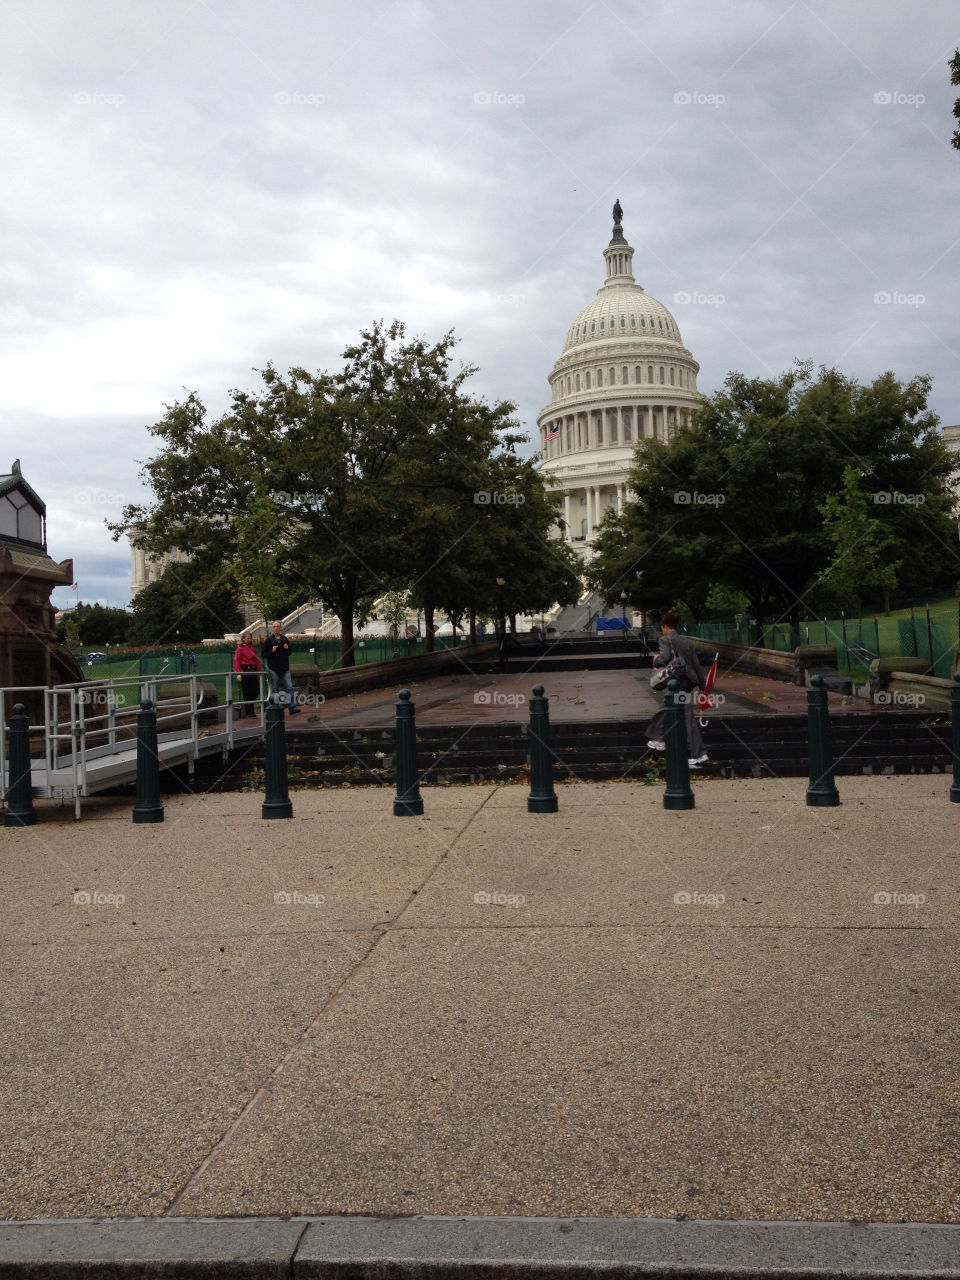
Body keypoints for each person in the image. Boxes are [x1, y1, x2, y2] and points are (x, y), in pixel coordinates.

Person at [646, 611, 708, 766]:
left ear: (666, 626)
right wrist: (703, 685)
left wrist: (656, 660)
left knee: (671, 709)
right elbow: (695, 664)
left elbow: (665, 658)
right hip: (689, 681)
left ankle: (661, 740)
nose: (662, 630)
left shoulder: (665, 639)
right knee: (680, 712)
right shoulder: (686, 641)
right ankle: (696, 752)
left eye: (662, 627)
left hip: (677, 681)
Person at [261, 620, 299, 713]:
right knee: (275, 689)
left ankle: (292, 708)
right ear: (272, 628)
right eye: (274, 626)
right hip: (274, 668)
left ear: (280, 628)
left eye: (277, 626)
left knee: (289, 687)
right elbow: (263, 655)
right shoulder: (268, 640)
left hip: (285, 668)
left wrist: (287, 648)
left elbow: (289, 653)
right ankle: (276, 709)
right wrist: (272, 651)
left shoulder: (284, 639)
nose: (276, 628)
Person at [233, 631, 262, 718]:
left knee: (256, 690)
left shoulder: (252, 648)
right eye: (247, 638)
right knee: (247, 692)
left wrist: (259, 671)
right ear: (243, 639)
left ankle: (250, 707)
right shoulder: (240, 649)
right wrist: (238, 673)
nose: (249, 640)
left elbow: (256, 660)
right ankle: (250, 712)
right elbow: (236, 661)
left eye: (250, 638)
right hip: (245, 670)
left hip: (253, 669)